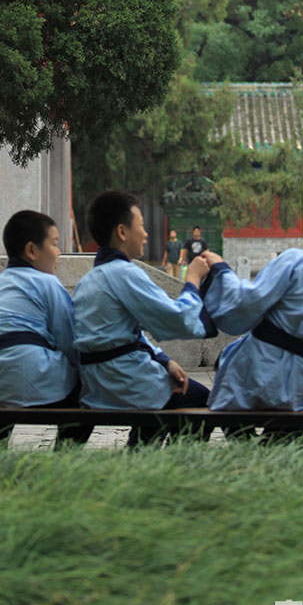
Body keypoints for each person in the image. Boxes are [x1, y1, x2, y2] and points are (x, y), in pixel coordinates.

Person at [201, 191, 303, 414]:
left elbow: (245, 305)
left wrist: (222, 271)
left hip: (253, 379)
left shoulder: (296, 261)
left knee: (230, 375)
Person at [72, 191, 216, 446]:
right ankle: (176, 464)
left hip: (96, 380)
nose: (146, 233)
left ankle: (141, 452)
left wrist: (164, 360)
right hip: (124, 378)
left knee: (167, 388)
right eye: (141, 225)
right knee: (200, 398)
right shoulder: (125, 274)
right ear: (122, 232)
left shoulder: (90, 279)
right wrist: (193, 279)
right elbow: (177, 319)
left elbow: (123, 336)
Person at [0, 210, 91, 447]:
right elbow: (69, 342)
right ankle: (65, 455)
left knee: (4, 373)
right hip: (31, 376)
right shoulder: (47, 283)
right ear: (32, 251)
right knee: (87, 394)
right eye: (55, 244)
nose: (58, 253)